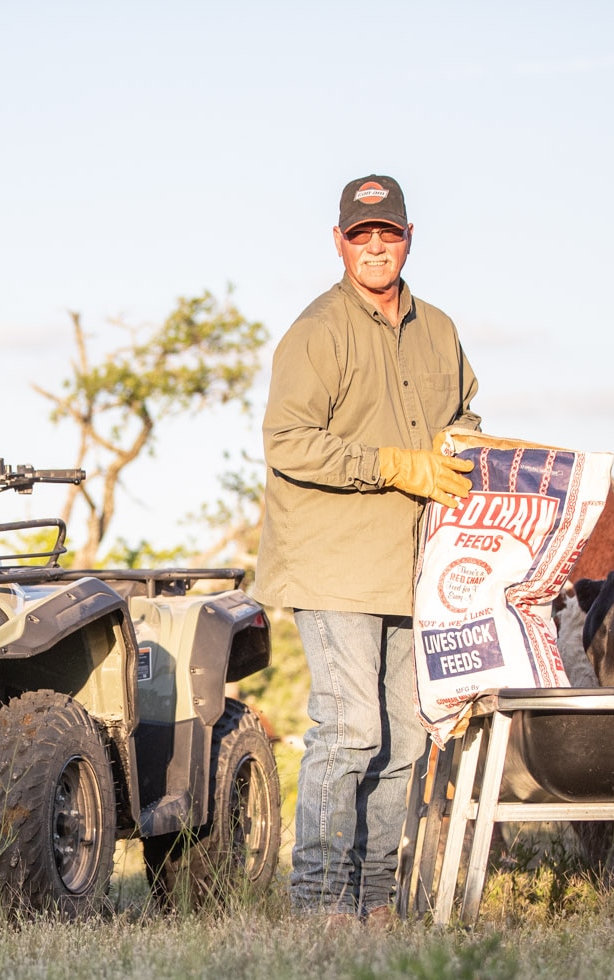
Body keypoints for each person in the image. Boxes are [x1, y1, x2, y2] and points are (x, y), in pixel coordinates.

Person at [256, 174, 481, 923]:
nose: (376, 246)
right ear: (340, 242)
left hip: (414, 567)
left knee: (408, 739)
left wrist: (465, 441)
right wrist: (389, 462)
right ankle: (320, 906)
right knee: (350, 728)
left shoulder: (440, 329)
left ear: (409, 238)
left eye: (388, 233)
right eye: (362, 235)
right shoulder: (318, 329)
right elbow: (287, 441)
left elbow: (466, 410)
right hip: (332, 564)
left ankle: (375, 901)